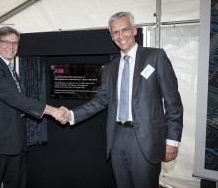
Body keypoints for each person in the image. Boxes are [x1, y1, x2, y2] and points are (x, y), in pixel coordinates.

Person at [60, 12, 183, 188]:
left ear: (134, 30)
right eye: (115, 32)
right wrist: (72, 114)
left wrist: (172, 140)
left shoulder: (155, 57)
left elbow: (173, 101)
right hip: (117, 137)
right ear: (111, 37)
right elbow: (100, 101)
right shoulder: (110, 68)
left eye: (124, 30)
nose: (120, 36)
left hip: (146, 138)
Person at [0, 26, 68, 188]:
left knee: (17, 184)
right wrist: (53, 111)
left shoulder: (9, 69)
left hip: (15, 141)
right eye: (6, 42)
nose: (11, 47)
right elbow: (16, 99)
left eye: (15, 43)